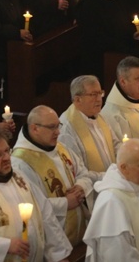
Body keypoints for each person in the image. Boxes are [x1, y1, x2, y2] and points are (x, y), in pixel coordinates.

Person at [0, 127, 72, 262]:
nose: (6, 158)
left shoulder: (18, 177)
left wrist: (58, 255)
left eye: (6, 151)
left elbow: (45, 214)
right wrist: (6, 246)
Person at [12, 105, 93, 246]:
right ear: (34, 128)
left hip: (81, 232)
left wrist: (81, 186)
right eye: (51, 127)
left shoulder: (60, 147)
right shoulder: (20, 162)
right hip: (53, 240)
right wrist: (66, 203)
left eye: (58, 126)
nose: (57, 132)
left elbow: (83, 172)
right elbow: (27, 205)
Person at [76, 0, 139, 80]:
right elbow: (94, 36)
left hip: (121, 49)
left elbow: (125, 24)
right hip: (101, 57)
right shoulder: (90, 5)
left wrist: (135, 34)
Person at [58, 75, 120, 179]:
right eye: (93, 94)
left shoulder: (99, 117)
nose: (99, 99)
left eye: (100, 93)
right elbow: (76, 170)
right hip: (92, 189)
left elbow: (115, 144)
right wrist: (110, 176)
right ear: (78, 100)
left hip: (112, 180)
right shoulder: (67, 128)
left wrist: (127, 157)